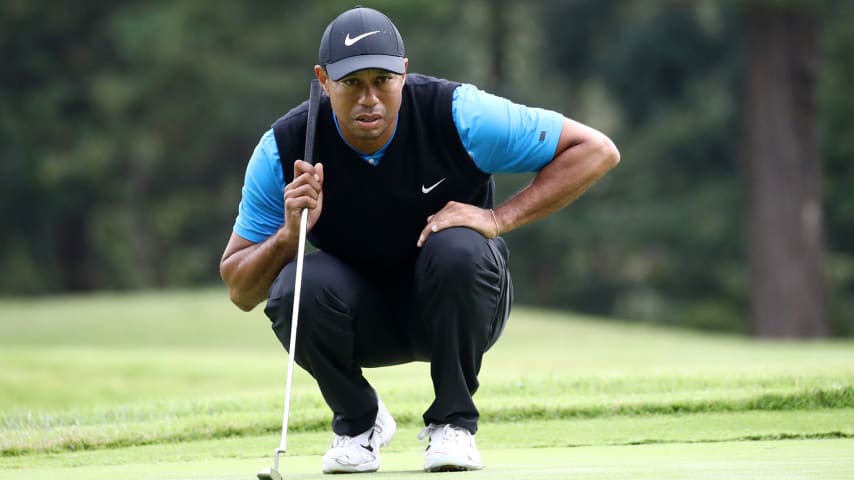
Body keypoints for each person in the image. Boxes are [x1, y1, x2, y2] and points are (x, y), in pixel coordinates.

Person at [220, 5, 619, 474]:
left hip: (461, 304)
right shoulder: (286, 147)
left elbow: (596, 150)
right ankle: (358, 422)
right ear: (323, 80)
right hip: (361, 319)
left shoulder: (458, 114)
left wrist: (496, 217)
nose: (369, 97)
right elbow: (241, 289)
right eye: (351, 83)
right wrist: (290, 235)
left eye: (382, 80)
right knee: (294, 287)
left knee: (459, 246)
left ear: (404, 74)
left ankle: (454, 424)